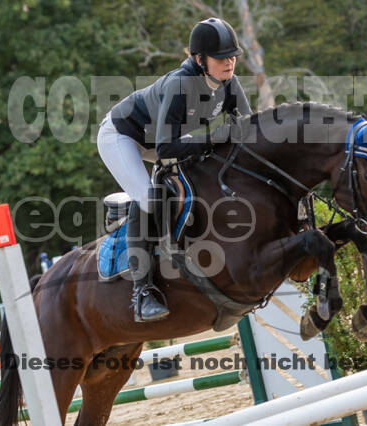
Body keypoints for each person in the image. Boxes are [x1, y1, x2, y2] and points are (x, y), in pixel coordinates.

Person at [97, 17, 253, 322]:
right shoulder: (180, 85)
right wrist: (216, 137)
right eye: (221, 57)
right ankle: (142, 292)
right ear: (200, 59)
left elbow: (249, 129)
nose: (229, 63)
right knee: (149, 199)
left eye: (232, 56)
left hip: (163, 138)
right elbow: (166, 149)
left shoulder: (230, 84)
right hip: (123, 135)